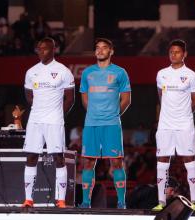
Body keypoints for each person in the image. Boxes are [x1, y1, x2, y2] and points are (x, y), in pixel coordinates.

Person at [22, 37, 75, 208]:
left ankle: (60, 200)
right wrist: (39, 109)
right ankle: (28, 199)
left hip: (54, 120)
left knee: (58, 158)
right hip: (35, 120)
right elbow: (29, 96)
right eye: (39, 49)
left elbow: (70, 98)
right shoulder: (31, 72)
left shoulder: (63, 71)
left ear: (53, 49)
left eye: (45, 49)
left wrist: (58, 114)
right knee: (31, 157)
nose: (41, 52)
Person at [79, 38, 131, 209]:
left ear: (111, 51)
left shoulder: (120, 72)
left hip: (112, 124)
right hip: (91, 124)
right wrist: (94, 113)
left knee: (116, 163)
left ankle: (121, 202)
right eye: (97, 48)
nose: (100, 51)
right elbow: (84, 98)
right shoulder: (87, 73)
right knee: (88, 163)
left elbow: (126, 99)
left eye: (104, 48)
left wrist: (114, 114)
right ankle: (86, 203)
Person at [153, 39, 195, 211]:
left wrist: (183, 115)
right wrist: (168, 114)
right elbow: (161, 97)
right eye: (171, 52)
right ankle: (161, 202)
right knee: (162, 161)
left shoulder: (192, 76)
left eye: (177, 52)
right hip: (165, 125)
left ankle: (194, 202)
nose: (174, 55)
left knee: (189, 160)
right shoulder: (161, 74)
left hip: (184, 125)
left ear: (184, 54)